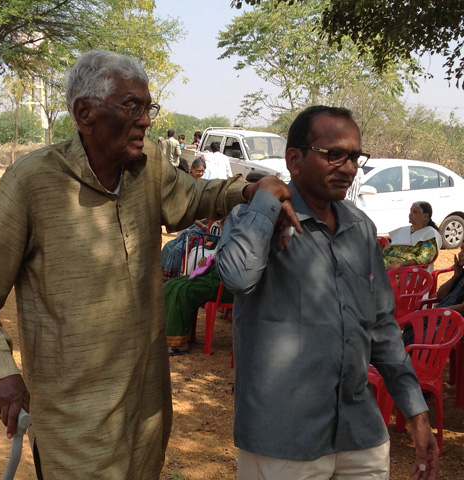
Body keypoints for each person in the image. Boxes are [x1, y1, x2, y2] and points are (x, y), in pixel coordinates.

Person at [0, 49, 253, 479]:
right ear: (84, 113)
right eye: (132, 106)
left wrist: (246, 191)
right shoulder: (32, 182)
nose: (146, 120)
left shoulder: (147, 166)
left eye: (148, 108)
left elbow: (193, 197)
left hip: (145, 412)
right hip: (74, 424)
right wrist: (0, 369)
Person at [216, 105, 438, 480]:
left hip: (359, 434)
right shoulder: (256, 219)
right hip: (284, 440)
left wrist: (416, 412)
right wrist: (266, 202)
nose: (349, 168)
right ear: (294, 159)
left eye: (354, 157)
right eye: (334, 154)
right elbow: (236, 278)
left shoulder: (360, 228)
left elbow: (382, 326)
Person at [165, 218, 231, 356]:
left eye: (223, 224)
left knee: (184, 291)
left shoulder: (239, 239)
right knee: (171, 285)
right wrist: (208, 260)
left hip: (223, 283)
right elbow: (218, 253)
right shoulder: (227, 236)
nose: (221, 227)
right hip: (212, 274)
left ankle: (180, 344)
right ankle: (170, 335)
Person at [161, 157, 209, 281]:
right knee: (169, 246)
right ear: (191, 169)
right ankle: (164, 275)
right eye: (198, 171)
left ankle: (171, 276)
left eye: (202, 171)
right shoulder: (185, 183)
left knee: (178, 247)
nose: (200, 173)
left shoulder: (204, 185)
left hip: (195, 223)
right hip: (185, 219)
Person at [382, 201, 441, 271]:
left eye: (415, 212)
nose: (410, 214)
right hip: (387, 265)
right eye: (411, 211)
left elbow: (424, 258)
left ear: (425, 216)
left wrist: (398, 265)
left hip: (406, 271)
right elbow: (388, 250)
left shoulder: (430, 234)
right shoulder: (405, 231)